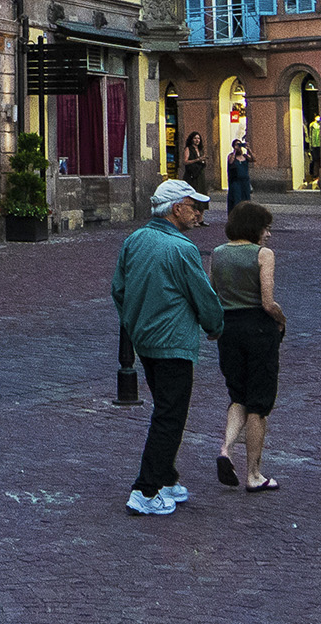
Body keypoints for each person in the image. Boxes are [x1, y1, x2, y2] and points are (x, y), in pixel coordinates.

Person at [111, 179, 224, 516]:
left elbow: (119, 289)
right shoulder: (182, 248)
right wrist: (215, 326)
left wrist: (132, 321)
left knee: (165, 408)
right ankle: (145, 489)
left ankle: (166, 477)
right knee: (170, 415)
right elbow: (203, 295)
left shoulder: (135, 240)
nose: (199, 213)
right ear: (177, 209)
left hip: (145, 340)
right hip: (173, 342)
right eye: (195, 206)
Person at [210, 201, 286, 493]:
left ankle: (225, 448)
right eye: (266, 228)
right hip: (258, 329)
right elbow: (267, 301)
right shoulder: (262, 255)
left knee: (237, 396)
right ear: (255, 228)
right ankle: (254, 473)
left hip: (228, 329)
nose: (268, 234)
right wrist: (281, 319)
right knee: (259, 404)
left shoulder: (217, 254)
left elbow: (212, 293)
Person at [226, 140, 253, 209]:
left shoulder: (245, 156)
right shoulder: (231, 156)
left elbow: (253, 159)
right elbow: (231, 162)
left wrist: (248, 149)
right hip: (236, 181)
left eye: (240, 144)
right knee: (236, 199)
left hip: (245, 182)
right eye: (237, 145)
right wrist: (235, 151)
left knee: (246, 200)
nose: (239, 146)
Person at [305, 117, 321, 186]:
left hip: (319, 145)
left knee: (319, 160)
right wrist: (310, 145)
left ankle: (318, 175)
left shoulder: (320, 125)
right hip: (315, 145)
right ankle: (315, 175)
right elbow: (310, 135)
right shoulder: (313, 125)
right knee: (315, 160)